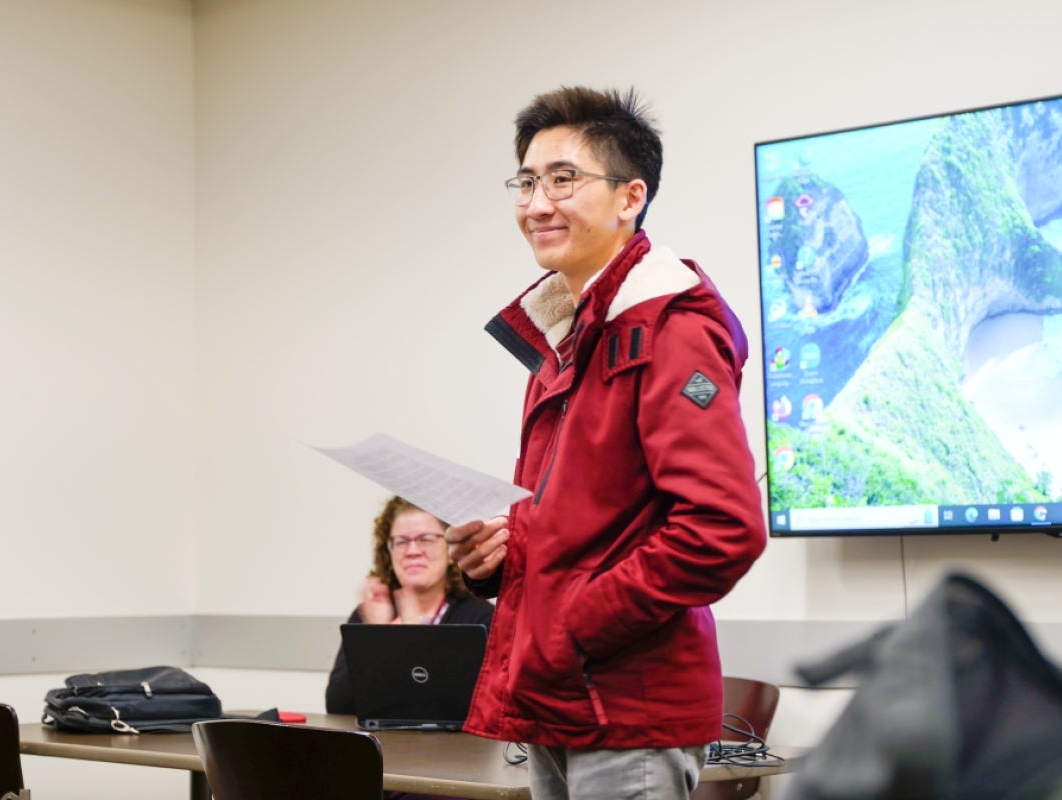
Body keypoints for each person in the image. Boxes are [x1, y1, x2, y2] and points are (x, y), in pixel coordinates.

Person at [445, 86, 768, 800]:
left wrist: (574, 624)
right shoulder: (568, 332)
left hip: (626, 707)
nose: (537, 203)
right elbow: (583, 525)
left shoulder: (672, 328)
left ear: (630, 197)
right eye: (526, 182)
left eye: (564, 179)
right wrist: (497, 558)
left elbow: (723, 529)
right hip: (559, 696)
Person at [325, 495, 494, 715]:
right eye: (402, 541)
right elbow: (338, 706)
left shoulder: (481, 618)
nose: (412, 551)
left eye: (426, 539)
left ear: (451, 551)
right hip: (384, 748)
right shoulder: (370, 614)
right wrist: (377, 639)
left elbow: (476, 709)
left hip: (458, 749)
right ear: (389, 552)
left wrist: (409, 640)